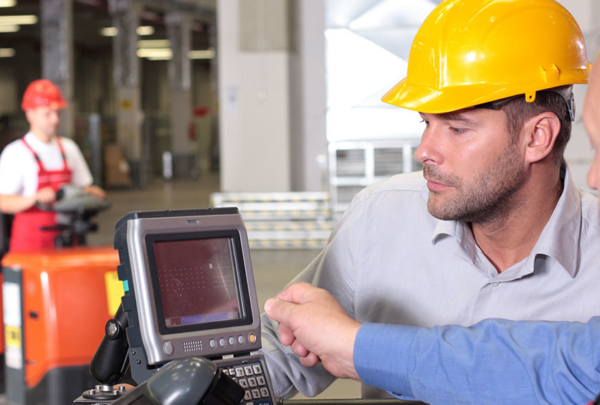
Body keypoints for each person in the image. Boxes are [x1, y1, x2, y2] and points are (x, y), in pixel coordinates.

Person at [259, 0, 600, 400]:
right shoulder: (380, 218)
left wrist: (359, 347)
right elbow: (284, 349)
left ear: (537, 137)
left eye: (457, 128)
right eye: (426, 123)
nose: (425, 151)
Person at [0, 79, 105, 252]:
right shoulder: (16, 153)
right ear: (30, 114)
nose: (55, 120)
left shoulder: (68, 148)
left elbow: (84, 188)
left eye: (58, 113)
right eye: (48, 114)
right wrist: (34, 199)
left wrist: (93, 193)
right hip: (31, 245)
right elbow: (2, 201)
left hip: (69, 242)